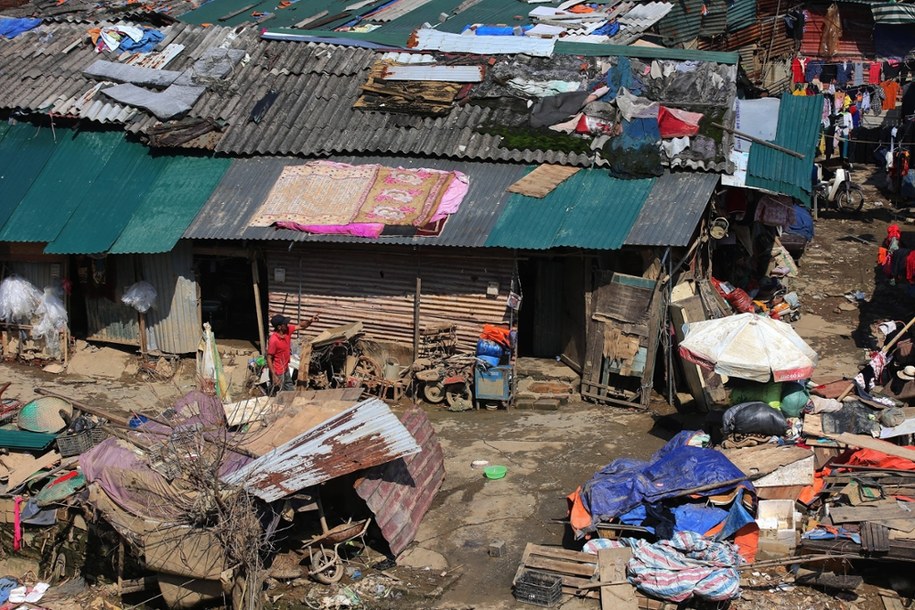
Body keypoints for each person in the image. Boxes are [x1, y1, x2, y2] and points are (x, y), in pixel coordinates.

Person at [267, 313, 318, 393]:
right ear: (279, 327)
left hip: (285, 369)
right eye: (285, 324)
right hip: (278, 373)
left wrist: (311, 320)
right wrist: (274, 375)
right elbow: (269, 358)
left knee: (290, 390)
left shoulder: (287, 331)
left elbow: (301, 326)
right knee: (280, 395)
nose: (287, 325)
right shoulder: (273, 340)